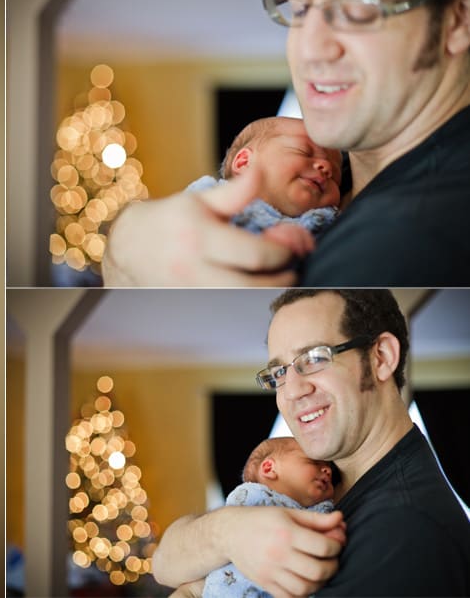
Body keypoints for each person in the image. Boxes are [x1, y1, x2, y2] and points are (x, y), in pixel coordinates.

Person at [104, 0, 470, 287]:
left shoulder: (410, 237)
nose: (309, 49)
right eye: (299, 8)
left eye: (357, 9)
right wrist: (125, 241)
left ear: (458, 21)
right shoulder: (335, 183)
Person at [152, 290, 470, 597]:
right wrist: (229, 532)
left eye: (315, 357)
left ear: (381, 357)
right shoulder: (319, 481)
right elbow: (163, 565)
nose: (291, 391)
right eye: (279, 372)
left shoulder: (403, 536)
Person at [185, 116, 341, 258]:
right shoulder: (211, 199)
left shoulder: (328, 224)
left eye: (335, 175)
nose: (326, 167)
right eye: (304, 152)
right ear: (244, 162)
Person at [202, 437, 337, 598]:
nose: (327, 471)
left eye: (327, 467)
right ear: (269, 468)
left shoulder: (319, 510)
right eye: (314, 462)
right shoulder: (251, 497)